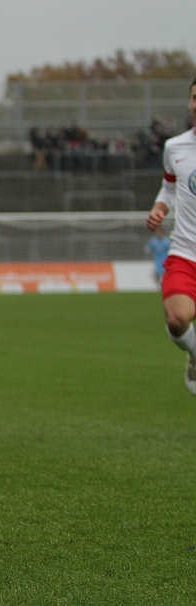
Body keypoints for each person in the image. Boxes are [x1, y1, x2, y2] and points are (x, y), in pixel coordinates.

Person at [146, 77, 196, 394]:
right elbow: (169, 187)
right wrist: (159, 207)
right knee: (177, 320)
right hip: (185, 254)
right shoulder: (175, 147)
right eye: (195, 97)